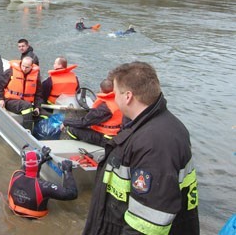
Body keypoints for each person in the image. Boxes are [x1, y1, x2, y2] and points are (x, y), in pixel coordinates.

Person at [83, 62, 199, 235]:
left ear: (128, 96)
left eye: (115, 93)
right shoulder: (148, 127)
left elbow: (148, 223)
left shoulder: (156, 143)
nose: (114, 98)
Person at [8, 145, 78, 218]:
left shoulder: (16, 175)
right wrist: (67, 171)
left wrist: (42, 159)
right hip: (35, 219)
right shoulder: (44, 187)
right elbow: (71, 193)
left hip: (14, 213)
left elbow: (28, 167)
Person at [61, 78, 123, 147]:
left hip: (105, 139)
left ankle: (76, 147)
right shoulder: (119, 101)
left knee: (72, 129)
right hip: (116, 135)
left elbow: (84, 122)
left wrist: (66, 122)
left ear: (101, 89)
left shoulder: (104, 107)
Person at [0, 56, 43, 130]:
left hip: (25, 103)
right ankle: (27, 130)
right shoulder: (11, 72)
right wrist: (1, 99)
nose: (24, 69)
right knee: (27, 106)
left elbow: (38, 94)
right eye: (23, 66)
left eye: (27, 67)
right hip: (10, 101)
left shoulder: (36, 77)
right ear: (21, 64)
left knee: (41, 113)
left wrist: (37, 107)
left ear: (31, 66)